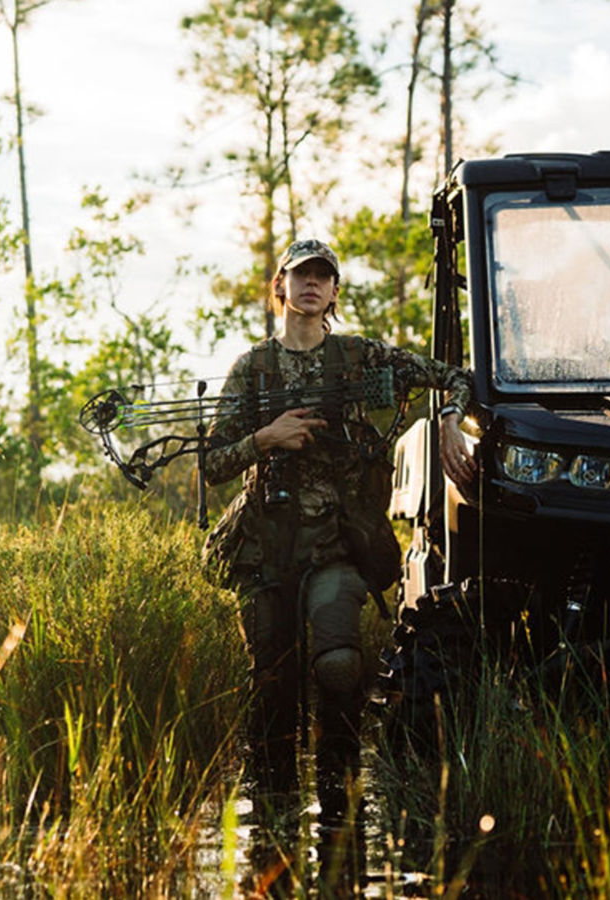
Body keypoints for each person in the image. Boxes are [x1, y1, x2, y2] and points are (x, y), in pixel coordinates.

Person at [200, 238, 476, 824]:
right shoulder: (253, 368)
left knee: (340, 663)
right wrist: (265, 439)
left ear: (333, 292)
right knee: (272, 681)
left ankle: (340, 795)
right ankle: (272, 804)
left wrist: (449, 423)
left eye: (323, 277)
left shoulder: (358, 357)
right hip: (265, 545)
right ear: (281, 285)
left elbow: (454, 376)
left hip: (335, 543)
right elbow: (212, 462)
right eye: (301, 275)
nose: (311, 285)